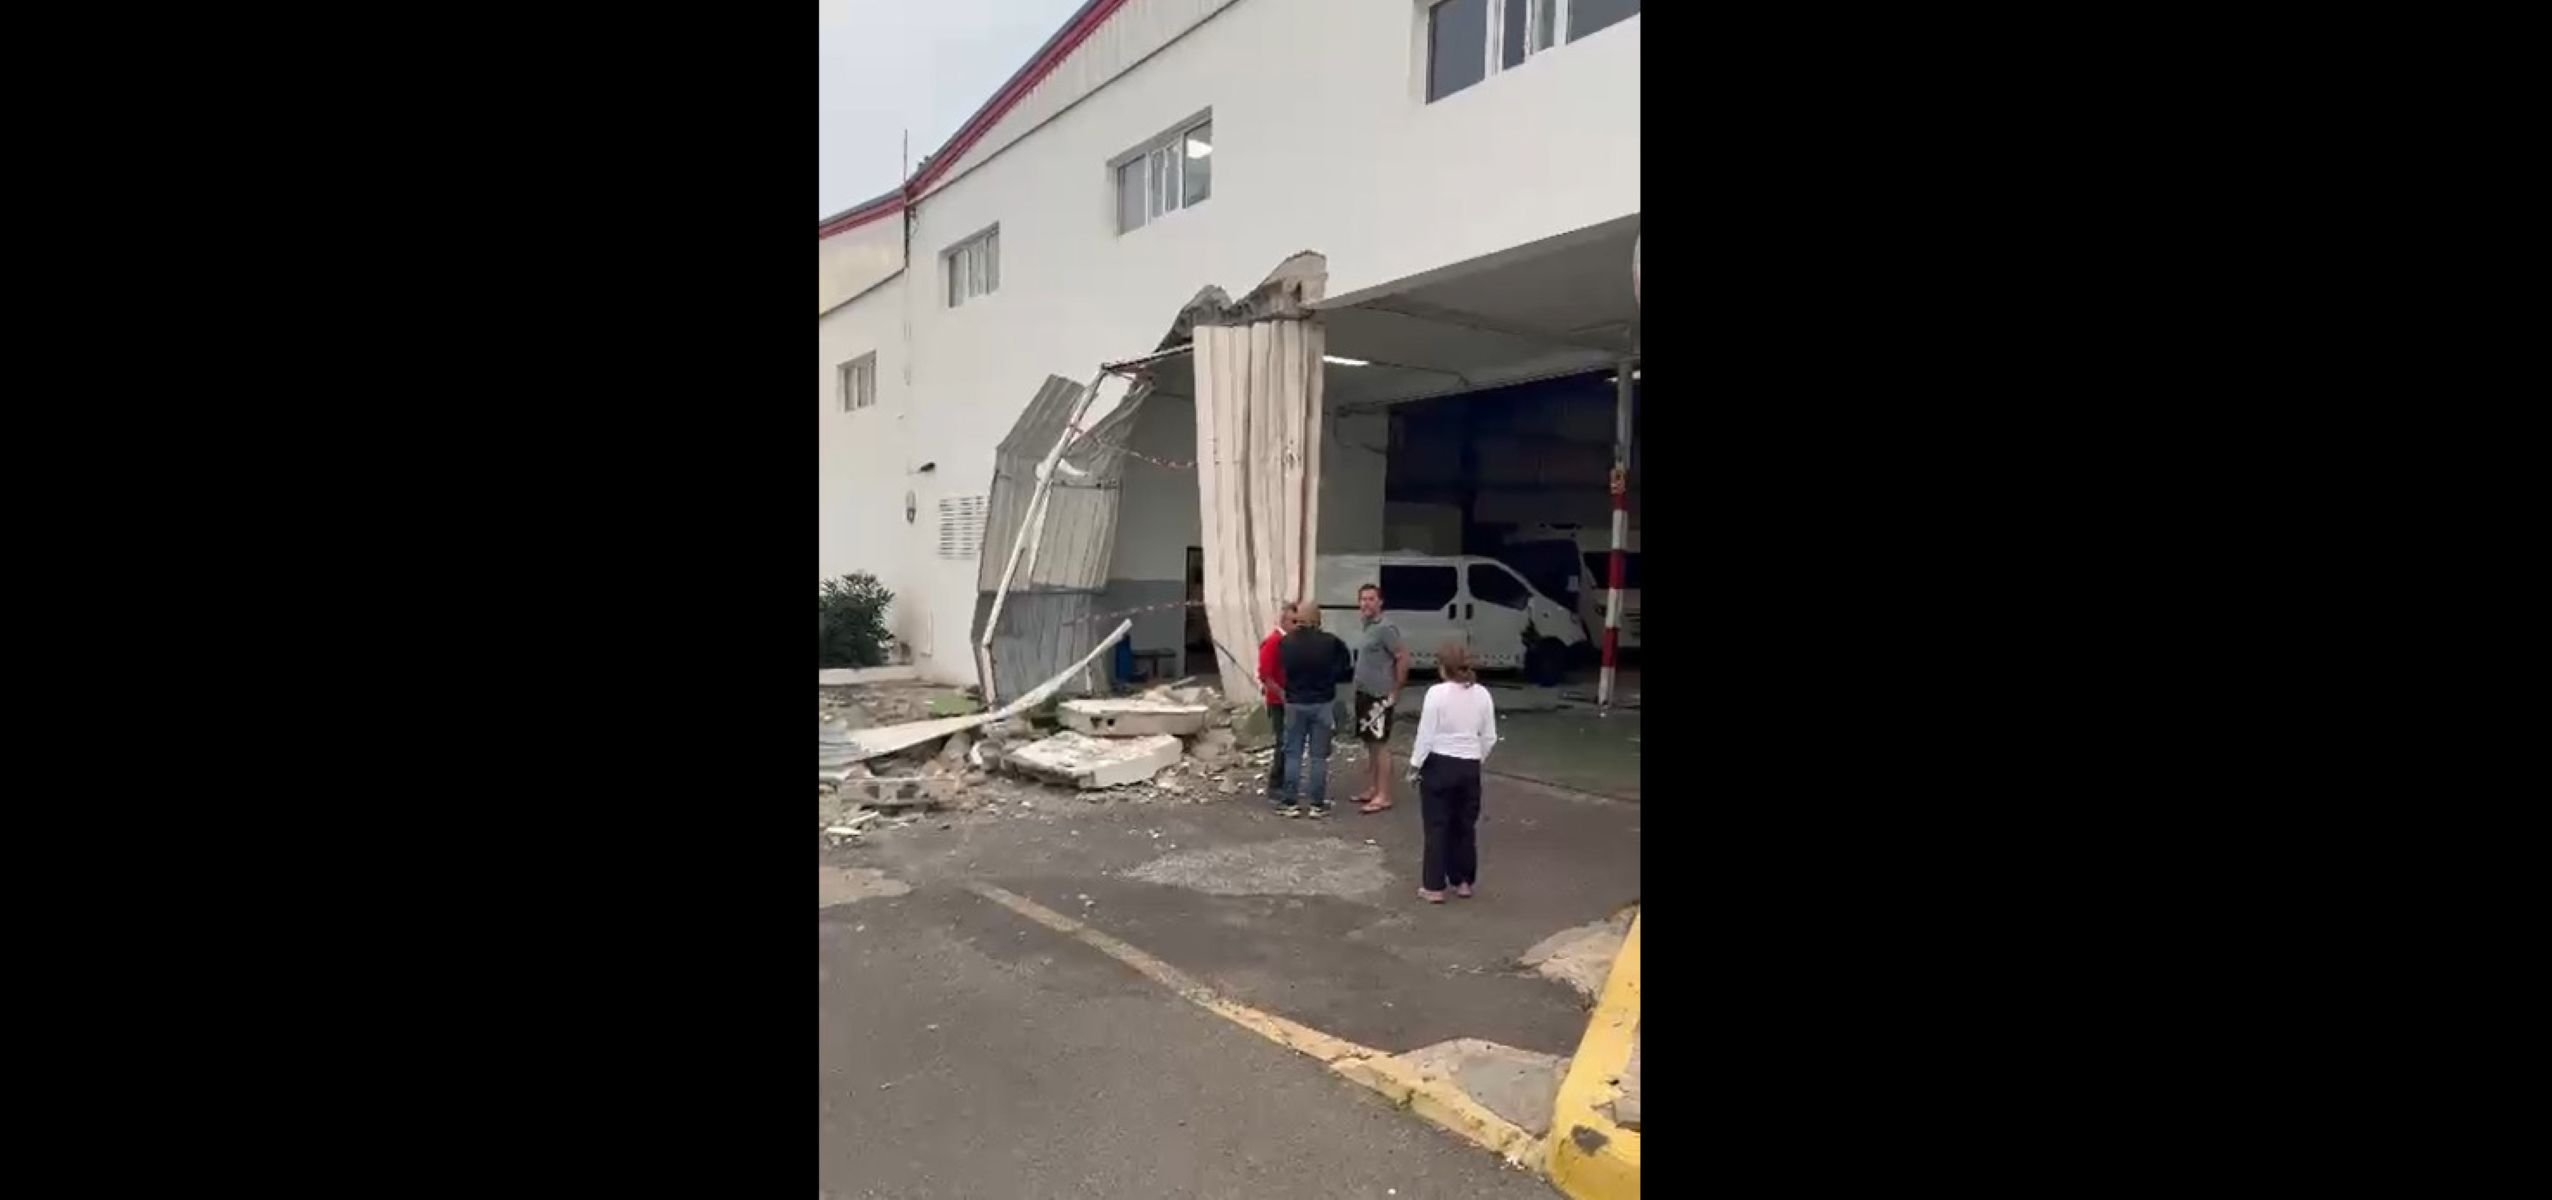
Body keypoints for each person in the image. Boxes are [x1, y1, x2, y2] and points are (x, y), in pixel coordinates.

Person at [1408, 642, 1498, 903]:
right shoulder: (1482, 694)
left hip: (1439, 764)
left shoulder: (1436, 694)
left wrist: (1415, 764)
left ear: (1443, 668)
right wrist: (1476, 757)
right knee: (1465, 826)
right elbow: (1489, 736)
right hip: (1469, 765)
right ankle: (1463, 881)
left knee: (1437, 826)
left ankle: (1434, 886)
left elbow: (1426, 735)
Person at [1274, 604, 1354, 818]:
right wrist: (1329, 680)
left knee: (1293, 753)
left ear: (1300, 619)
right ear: (1318, 620)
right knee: (1318, 756)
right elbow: (1345, 668)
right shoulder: (1332, 642)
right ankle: (1317, 804)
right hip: (1322, 702)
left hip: (1295, 702)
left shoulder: (1286, 642)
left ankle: (1290, 802)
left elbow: (1282, 668)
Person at [1349, 583, 1413, 814]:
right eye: (1363, 599)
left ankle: (1384, 795)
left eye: (1371, 599)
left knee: (1380, 744)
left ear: (1380, 602)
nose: (1366, 603)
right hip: (1364, 693)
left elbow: (1402, 657)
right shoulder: (1367, 627)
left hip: (1379, 695)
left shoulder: (1386, 628)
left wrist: (1395, 690)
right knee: (1370, 743)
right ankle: (1374, 788)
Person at [1256, 602, 1295, 802]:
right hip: (1279, 701)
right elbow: (1265, 674)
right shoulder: (1274, 642)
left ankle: (1285, 781)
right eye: (1293, 622)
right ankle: (1275, 783)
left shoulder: (1288, 641)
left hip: (1287, 699)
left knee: (1289, 742)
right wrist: (1281, 694)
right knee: (1283, 742)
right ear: (1284, 621)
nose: (1297, 626)